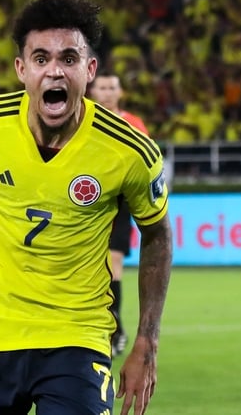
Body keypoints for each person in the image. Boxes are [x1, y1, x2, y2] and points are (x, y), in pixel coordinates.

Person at [0, 0, 173, 415]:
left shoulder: (130, 150)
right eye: (41, 58)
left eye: (69, 58)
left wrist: (147, 341)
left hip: (77, 338)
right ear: (22, 69)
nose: (55, 70)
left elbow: (158, 235)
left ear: (89, 70)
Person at [87, 72, 150, 358]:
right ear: (92, 91)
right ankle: (109, 327)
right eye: (103, 87)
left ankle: (114, 327)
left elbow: (146, 163)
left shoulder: (133, 124)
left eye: (112, 87)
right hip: (86, 199)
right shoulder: (80, 119)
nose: (108, 92)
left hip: (119, 200)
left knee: (113, 264)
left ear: (121, 92)